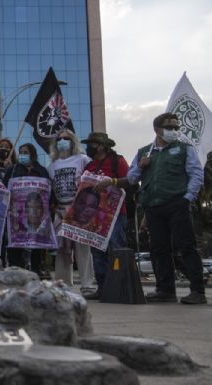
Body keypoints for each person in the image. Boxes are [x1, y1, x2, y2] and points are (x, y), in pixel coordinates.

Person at [122, 112, 206, 304]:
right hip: (153, 206)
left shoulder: (185, 149)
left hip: (178, 203)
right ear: (157, 129)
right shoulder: (144, 152)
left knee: (186, 246)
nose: (174, 131)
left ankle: (198, 291)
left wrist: (187, 197)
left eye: (176, 127)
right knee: (159, 248)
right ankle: (165, 290)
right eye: (169, 127)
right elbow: (132, 178)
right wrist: (141, 167)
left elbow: (196, 174)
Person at [81, 132, 129, 299]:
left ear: (101, 146)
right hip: (94, 215)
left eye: (91, 144)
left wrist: (112, 182)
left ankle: (121, 286)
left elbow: (130, 180)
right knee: (97, 251)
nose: (88, 147)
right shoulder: (90, 166)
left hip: (115, 215)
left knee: (116, 248)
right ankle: (102, 287)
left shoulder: (118, 161)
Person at [47, 129, 94, 293]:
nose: (62, 141)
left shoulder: (83, 159)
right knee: (62, 248)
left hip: (79, 210)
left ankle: (87, 284)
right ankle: (63, 283)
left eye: (66, 138)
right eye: (59, 139)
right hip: (60, 211)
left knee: (83, 248)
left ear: (73, 141)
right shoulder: (52, 165)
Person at [3, 143, 53, 274]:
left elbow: (48, 192)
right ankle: (16, 272)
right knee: (15, 247)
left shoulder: (42, 171)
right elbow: (4, 190)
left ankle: (36, 271)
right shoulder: (12, 170)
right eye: (21, 152)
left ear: (33, 154)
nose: (23, 155)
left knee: (36, 245)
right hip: (16, 216)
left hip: (37, 216)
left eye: (26, 152)